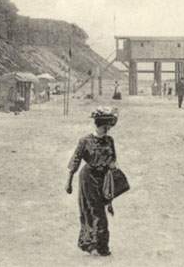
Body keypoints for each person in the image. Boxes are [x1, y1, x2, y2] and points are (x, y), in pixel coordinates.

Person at [65, 107, 119, 257]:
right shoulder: (85, 141)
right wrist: (68, 182)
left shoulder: (109, 140)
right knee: (92, 211)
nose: (107, 129)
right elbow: (75, 160)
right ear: (98, 125)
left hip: (103, 179)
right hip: (88, 179)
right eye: (104, 127)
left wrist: (111, 189)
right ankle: (92, 245)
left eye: (108, 127)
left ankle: (101, 245)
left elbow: (113, 159)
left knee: (100, 210)